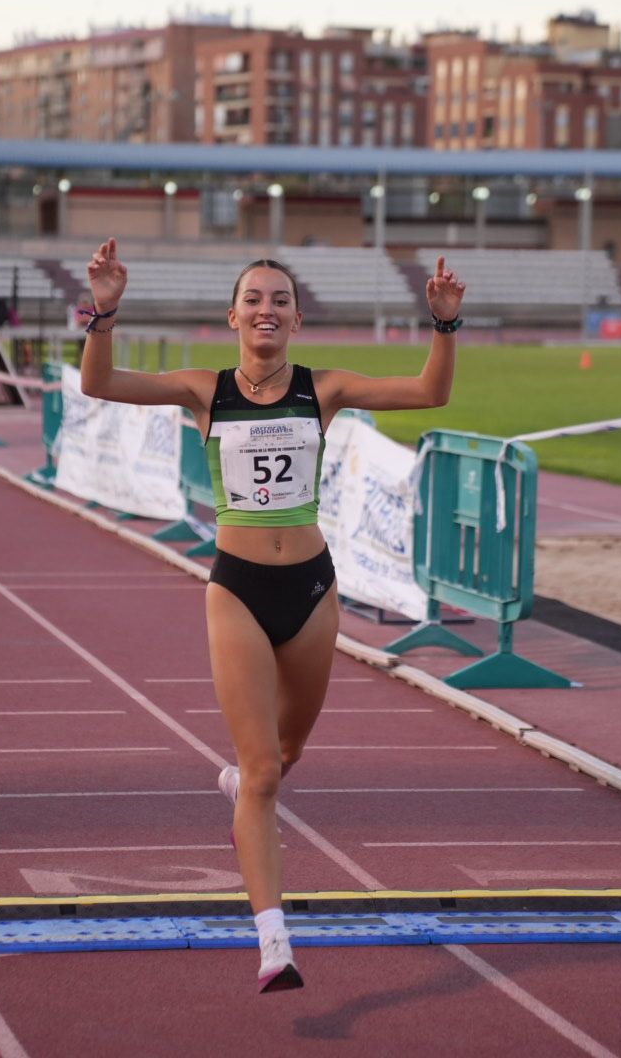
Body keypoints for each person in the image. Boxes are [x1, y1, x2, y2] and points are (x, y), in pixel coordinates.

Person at [80, 238, 464, 993]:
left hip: (314, 591)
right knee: (262, 775)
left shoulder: (324, 390)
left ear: (296, 318)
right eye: (254, 298)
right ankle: (273, 941)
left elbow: (429, 394)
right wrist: (104, 309)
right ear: (233, 316)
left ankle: (246, 786)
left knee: (285, 756)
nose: (266, 309)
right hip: (238, 590)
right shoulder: (203, 389)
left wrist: (444, 325)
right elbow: (101, 383)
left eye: (280, 299)